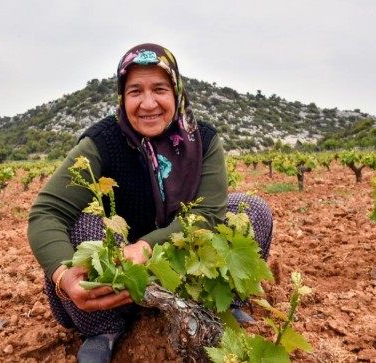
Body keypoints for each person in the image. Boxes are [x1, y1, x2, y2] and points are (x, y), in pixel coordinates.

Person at [28, 43, 273, 363]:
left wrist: (146, 247)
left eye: (159, 88)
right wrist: (62, 275)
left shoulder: (204, 140)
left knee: (250, 210)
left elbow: (207, 214)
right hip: (123, 275)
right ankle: (103, 327)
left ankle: (221, 305)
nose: (148, 103)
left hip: (186, 264)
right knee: (83, 222)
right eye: (135, 91)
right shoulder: (102, 142)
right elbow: (47, 212)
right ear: (121, 96)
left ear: (176, 92)